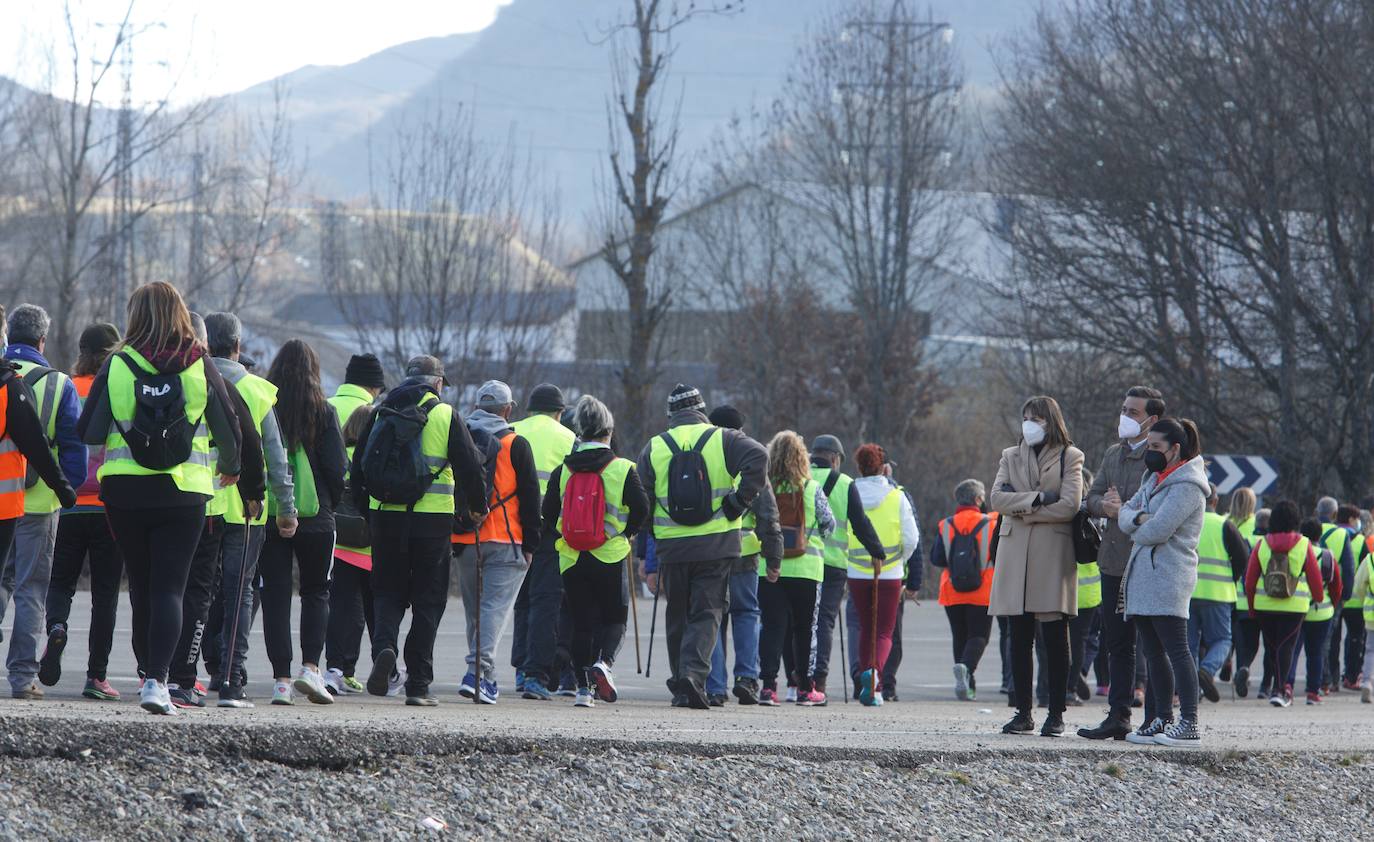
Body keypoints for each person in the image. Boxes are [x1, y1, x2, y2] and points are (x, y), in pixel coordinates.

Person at [76, 281, 242, 715]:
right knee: (172, 588)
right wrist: (231, 467)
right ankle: (158, 683)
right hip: (184, 491)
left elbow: (89, 432)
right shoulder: (199, 363)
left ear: (135, 315)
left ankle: (146, 668)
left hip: (124, 491)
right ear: (181, 313)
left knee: (142, 586)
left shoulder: (117, 363)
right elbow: (230, 430)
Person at [353, 355, 487, 705]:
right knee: (428, 601)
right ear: (438, 383)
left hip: (385, 519)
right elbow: (471, 467)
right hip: (432, 524)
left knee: (386, 593)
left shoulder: (381, 411)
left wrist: (368, 513)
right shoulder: (445, 414)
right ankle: (418, 684)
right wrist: (476, 508)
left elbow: (358, 470)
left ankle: (384, 649)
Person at [163, 313, 269, 709]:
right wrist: (253, 488)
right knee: (222, 593)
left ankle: (154, 673)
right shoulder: (221, 381)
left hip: (148, 495)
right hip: (211, 502)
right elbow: (251, 442)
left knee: (163, 587)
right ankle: (217, 677)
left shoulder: (135, 370)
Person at [638, 384, 767, 709]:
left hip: (672, 546)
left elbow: (642, 498)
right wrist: (738, 503)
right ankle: (694, 676)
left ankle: (682, 684)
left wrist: (650, 534)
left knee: (677, 613)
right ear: (701, 410)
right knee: (707, 612)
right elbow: (760, 458)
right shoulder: (723, 438)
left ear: (671, 415)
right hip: (716, 543)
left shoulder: (655, 446)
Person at [0, 304, 86, 700]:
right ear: (42, 339)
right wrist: (67, 489)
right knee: (31, 591)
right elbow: (73, 450)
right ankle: (21, 678)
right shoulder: (58, 384)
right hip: (38, 505)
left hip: (3, 501)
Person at [541, 396, 649, 708]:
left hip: (572, 556)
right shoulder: (623, 469)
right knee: (615, 619)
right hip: (610, 555)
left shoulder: (564, 470)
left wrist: (563, 533)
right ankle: (604, 664)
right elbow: (642, 509)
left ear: (580, 432)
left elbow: (548, 512)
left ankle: (582, 691)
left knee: (581, 622)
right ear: (609, 432)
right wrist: (626, 534)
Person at [258, 339, 346, 705]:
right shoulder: (324, 412)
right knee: (317, 592)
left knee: (275, 596)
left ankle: (280, 679)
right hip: (318, 517)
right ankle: (311, 669)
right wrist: (329, 503)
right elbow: (337, 468)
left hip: (272, 515)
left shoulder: (266, 407)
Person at [990, 395, 1083, 738]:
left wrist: (1021, 507)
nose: (1029, 423)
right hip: (1015, 553)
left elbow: (1070, 506)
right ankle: (1023, 711)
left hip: (1051, 553)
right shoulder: (1010, 455)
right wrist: (1039, 498)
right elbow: (996, 499)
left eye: (1036, 418)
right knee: (1019, 636)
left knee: (1055, 637)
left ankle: (1056, 711)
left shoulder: (1070, 456)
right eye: (1026, 417)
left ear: (1050, 421)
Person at [39, 324, 122, 700]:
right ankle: (97, 676)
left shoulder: (66, 388)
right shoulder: (117, 388)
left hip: (67, 502)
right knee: (105, 594)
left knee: (60, 583)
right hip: (109, 507)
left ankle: (56, 625)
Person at [1078, 386, 1164, 740]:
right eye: (1124, 409)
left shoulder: (1159, 457)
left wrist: (1121, 507)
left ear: (1151, 419)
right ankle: (1118, 715)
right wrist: (1108, 508)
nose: (1125, 416)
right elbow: (1091, 498)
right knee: (1117, 643)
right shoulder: (1113, 454)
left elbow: (1157, 506)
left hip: (1146, 561)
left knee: (1152, 643)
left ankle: (1156, 717)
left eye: (1133, 411)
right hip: (1112, 560)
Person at [1118, 418, 1208, 747]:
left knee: (1178, 651)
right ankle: (1161, 719)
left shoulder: (1187, 486)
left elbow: (1159, 530)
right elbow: (1126, 512)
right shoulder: (1153, 478)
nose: (1150, 453)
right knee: (1153, 652)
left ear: (1175, 449)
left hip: (1168, 576)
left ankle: (1190, 722)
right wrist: (1141, 519)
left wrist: (1137, 523)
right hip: (1144, 576)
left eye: (1155, 447)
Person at [453, 380, 541, 704]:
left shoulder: (459, 437)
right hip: (506, 538)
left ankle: (486, 679)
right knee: (493, 610)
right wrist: (532, 544)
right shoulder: (516, 444)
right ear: (507, 410)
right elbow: (531, 497)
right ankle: (476, 672)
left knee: (475, 613)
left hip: (464, 537)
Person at [704, 405, 781, 707]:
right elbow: (769, 517)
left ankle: (714, 685)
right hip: (746, 555)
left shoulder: (706, 461)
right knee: (747, 614)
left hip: (711, 552)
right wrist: (774, 558)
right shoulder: (751, 462)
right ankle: (747, 678)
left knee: (713, 618)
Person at [756, 431, 833, 706]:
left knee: (771, 626)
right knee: (805, 629)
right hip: (806, 569)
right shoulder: (811, 488)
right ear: (802, 458)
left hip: (770, 568)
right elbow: (829, 524)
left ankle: (767, 687)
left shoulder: (765, 487)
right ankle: (805, 688)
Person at [509, 383, 576, 701]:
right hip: (551, 529)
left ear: (530, 409)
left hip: (510, 526)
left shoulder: (510, 430)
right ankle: (537, 674)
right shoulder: (569, 439)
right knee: (545, 601)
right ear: (559, 412)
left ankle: (520, 669)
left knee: (519, 600)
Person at [807, 434, 885, 700]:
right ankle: (819, 681)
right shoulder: (845, 483)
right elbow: (859, 522)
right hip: (833, 565)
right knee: (824, 623)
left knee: (800, 623)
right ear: (834, 458)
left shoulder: (799, 479)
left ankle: (797, 681)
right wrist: (877, 550)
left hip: (800, 562)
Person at [847, 444, 914, 707]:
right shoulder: (896, 496)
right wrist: (901, 561)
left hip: (856, 569)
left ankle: (867, 675)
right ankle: (875, 678)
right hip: (889, 571)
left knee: (865, 627)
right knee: (885, 631)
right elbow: (911, 538)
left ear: (859, 467)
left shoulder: (850, 491)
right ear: (882, 466)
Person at [1244, 500, 1325, 708]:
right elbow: (1315, 578)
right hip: (1294, 606)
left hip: (1265, 605)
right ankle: (1280, 690)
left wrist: (1252, 608)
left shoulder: (1262, 544)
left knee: (1273, 648)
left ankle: (1276, 688)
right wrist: (1318, 597)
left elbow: (1250, 580)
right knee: (1286, 646)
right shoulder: (1303, 543)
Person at [932, 478, 1000, 702]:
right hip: (982, 590)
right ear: (978, 499)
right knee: (979, 636)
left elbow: (937, 558)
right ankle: (967, 669)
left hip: (952, 590)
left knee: (959, 636)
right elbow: (998, 555)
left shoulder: (945, 524)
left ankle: (967, 686)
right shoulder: (990, 523)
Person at [324, 404, 376, 696]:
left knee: (341, 611)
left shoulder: (341, 455)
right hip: (370, 549)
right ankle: (361, 670)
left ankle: (335, 668)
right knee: (372, 614)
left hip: (340, 545)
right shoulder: (375, 458)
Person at [1186, 483, 1250, 704]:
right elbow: (1243, 558)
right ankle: (1207, 669)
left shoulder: (1187, 522)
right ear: (1215, 501)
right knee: (1222, 640)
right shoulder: (1225, 525)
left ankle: (1191, 693)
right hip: (1218, 594)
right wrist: (1230, 579)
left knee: (1189, 644)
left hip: (1187, 592)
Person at [1289, 518, 1341, 705]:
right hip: (1322, 611)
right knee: (1316, 652)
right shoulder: (1328, 556)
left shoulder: (1297, 552)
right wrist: (1332, 605)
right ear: (1320, 535)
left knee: (1294, 651)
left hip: (1297, 608)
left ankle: (1288, 686)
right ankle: (1313, 691)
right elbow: (1337, 587)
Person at [1325, 503, 1363, 692]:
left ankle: (1332, 678)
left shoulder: (1330, 536)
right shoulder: (1360, 540)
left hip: (1332, 596)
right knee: (1355, 639)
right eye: (1357, 519)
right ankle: (1351, 676)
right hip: (1355, 600)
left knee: (1333, 640)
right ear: (1350, 520)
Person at [1227, 488, 1261, 697]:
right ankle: (1244, 667)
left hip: (1226, 591)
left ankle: (1227, 662)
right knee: (1251, 640)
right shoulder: (1257, 525)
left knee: (1230, 636)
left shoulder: (1224, 522)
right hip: (1250, 594)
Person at [329, 353, 385, 422]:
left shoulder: (322, 407)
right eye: (380, 391)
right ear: (374, 388)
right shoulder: (375, 416)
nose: (378, 395)